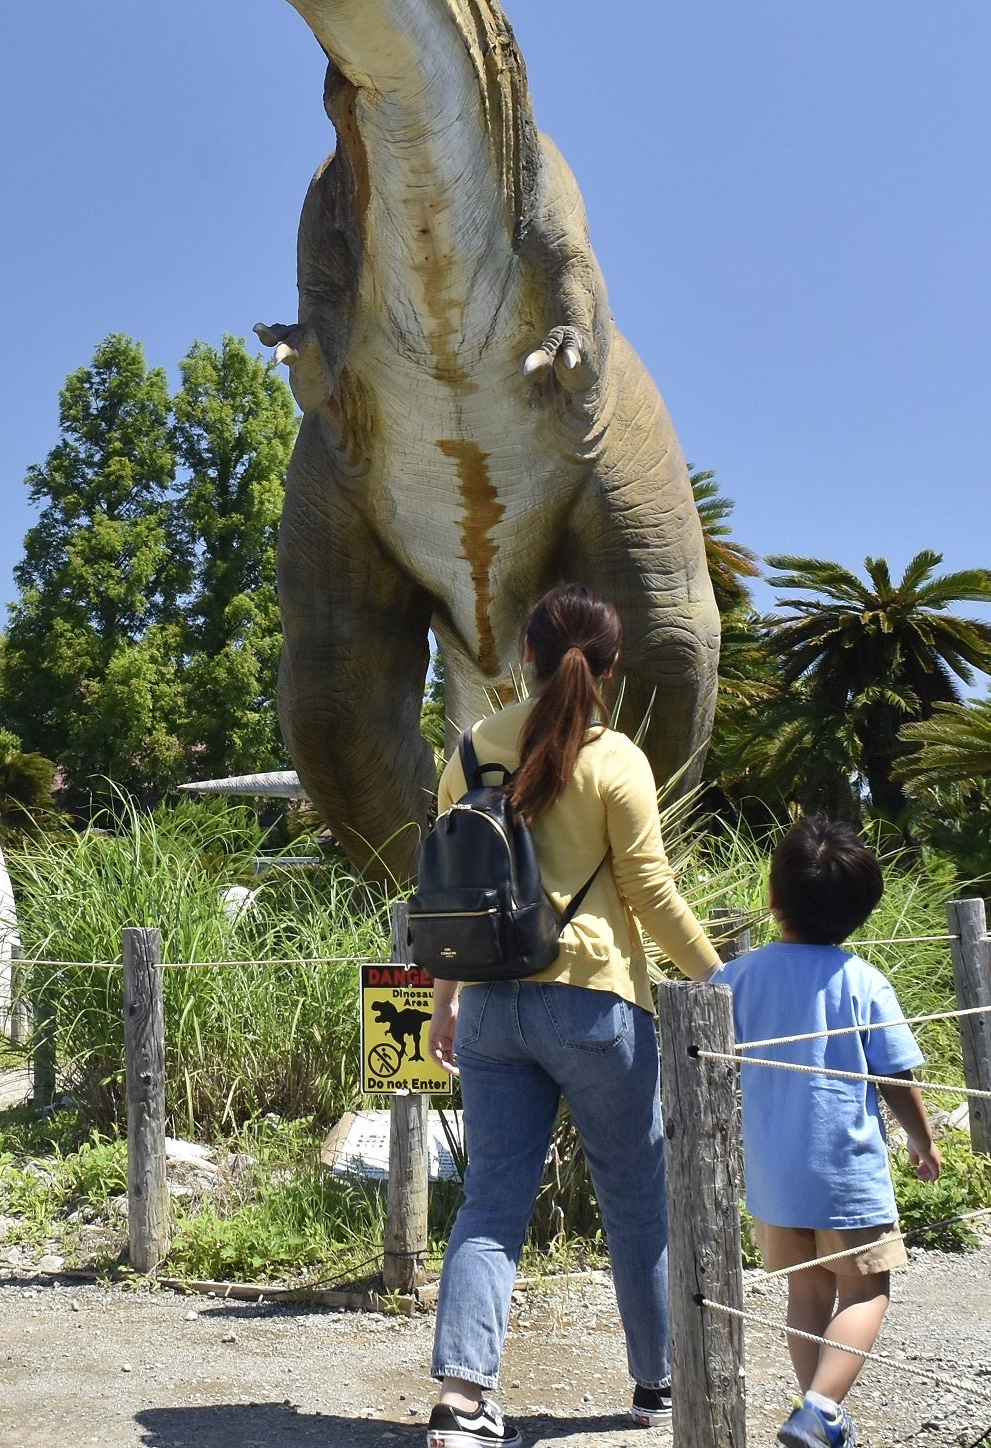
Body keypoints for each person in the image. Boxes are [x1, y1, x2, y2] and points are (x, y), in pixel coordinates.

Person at [425, 585, 723, 1448]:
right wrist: (720, 982)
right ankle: (656, 1384)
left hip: (488, 1008)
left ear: (527, 654)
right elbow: (650, 895)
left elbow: (449, 888)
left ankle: (463, 1399)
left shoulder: (474, 749)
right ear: (611, 668)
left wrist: (446, 1004)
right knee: (634, 1195)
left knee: (491, 1201)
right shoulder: (616, 757)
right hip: (595, 1003)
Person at [712, 817, 943, 1448]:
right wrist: (924, 1140)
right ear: (862, 910)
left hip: (772, 1175)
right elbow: (895, 1075)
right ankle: (819, 1406)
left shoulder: (734, 979)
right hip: (846, 1172)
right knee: (867, 1287)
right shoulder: (863, 981)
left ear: (772, 897)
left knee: (807, 1288)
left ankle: (816, 1413)